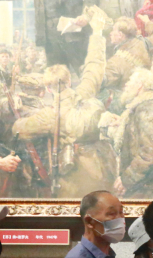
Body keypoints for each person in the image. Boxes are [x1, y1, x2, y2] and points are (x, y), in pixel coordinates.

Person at [12, 13, 116, 198]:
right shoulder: (84, 94)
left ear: (48, 89)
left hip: (71, 180)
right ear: (68, 81)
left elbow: (18, 130)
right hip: (99, 171)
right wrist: (97, 33)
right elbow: (94, 67)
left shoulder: (49, 115)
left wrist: (21, 109)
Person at [113, 68, 153, 199]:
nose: (126, 85)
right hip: (147, 183)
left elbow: (151, 152)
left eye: (130, 81)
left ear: (139, 85)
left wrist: (127, 179)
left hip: (150, 187)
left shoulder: (147, 110)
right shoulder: (147, 106)